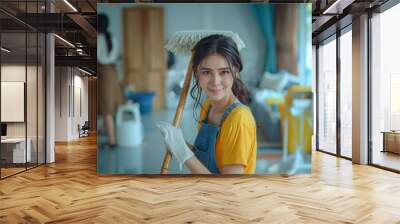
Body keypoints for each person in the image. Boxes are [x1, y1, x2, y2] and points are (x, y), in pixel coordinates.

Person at [157, 34, 257, 174]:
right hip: (203, 192)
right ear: (196, 73)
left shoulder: (239, 119)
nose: (215, 81)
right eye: (206, 72)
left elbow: (230, 189)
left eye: (224, 72)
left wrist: (184, 154)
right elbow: (207, 161)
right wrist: (179, 143)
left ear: (235, 71)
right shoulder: (208, 106)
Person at [97, 14, 122, 148]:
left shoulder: (98, 38)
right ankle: (107, 134)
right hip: (112, 72)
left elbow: (98, 57)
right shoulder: (111, 37)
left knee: (106, 109)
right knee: (110, 107)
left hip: (104, 72)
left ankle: (112, 141)